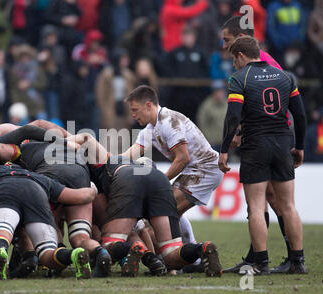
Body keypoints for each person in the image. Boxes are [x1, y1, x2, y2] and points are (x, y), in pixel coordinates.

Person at [65, 131, 223, 277]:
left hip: (127, 180)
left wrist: (60, 142)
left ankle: (128, 250)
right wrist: (153, 259)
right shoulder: (129, 166)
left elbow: (86, 137)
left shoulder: (106, 163)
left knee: (109, 245)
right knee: (170, 254)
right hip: (160, 181)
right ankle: (200, 248)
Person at [218, 36, 307, 275]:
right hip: (282, 144)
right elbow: (299, 116)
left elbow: (233, 117)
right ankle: (298, 262)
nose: (233, 65)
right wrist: (299, 146)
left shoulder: (239, 78)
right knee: (288, 206)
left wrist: (224, 148)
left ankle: (260, 262)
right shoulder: (286, 76)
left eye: (233, 60)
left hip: (256, 146)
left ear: (241, 56)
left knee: (256, 207)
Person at [122, 85, 224, 257]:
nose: (132, 115)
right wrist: (107, 161)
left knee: (165, 211)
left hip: (205, 169)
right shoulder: (150, 129)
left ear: (148, 105)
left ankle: (181, 257)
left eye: (135, 110)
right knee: (167, 210)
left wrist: (160, 181)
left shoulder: (169, 122)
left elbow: (183, 158)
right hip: (195, 169)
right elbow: (130, 154)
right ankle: (190, 256)